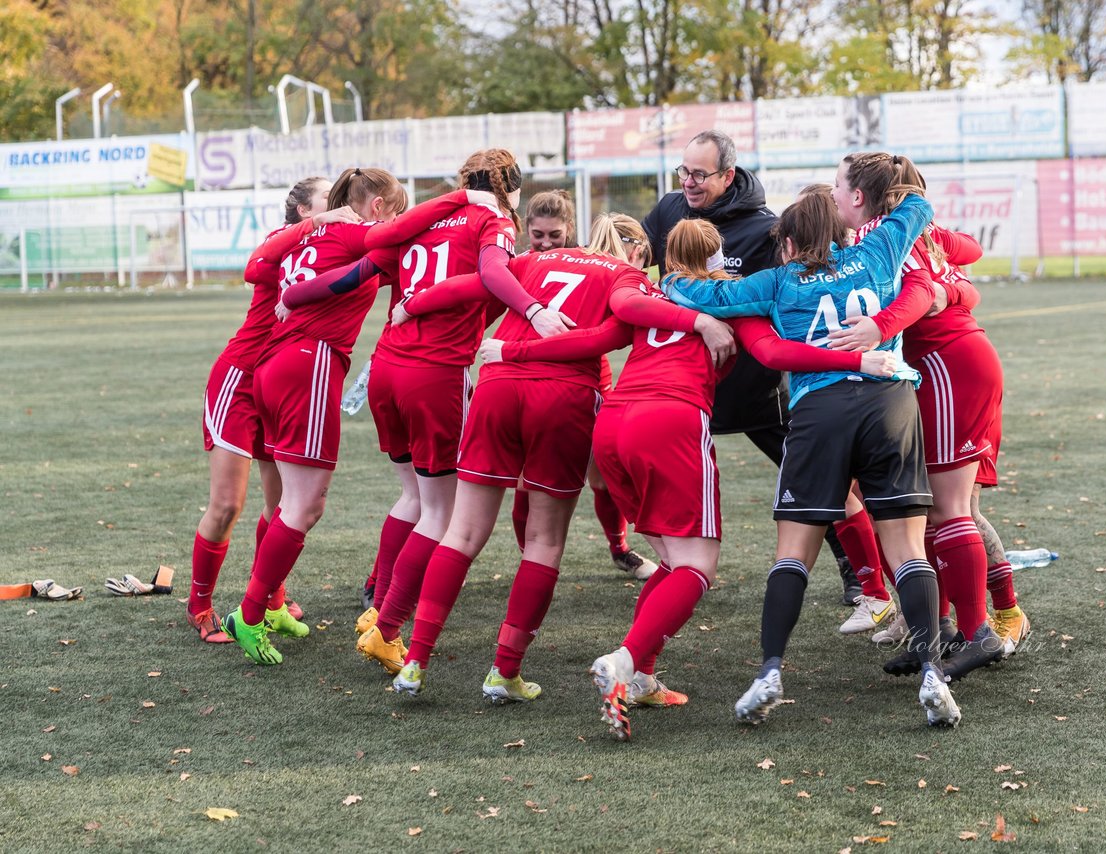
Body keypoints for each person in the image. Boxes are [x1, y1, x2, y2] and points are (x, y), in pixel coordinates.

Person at [485, 217, 894, 739]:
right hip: (670, 421)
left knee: (672, 561)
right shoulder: (726, 297)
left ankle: (642, 675)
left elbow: (598, 336)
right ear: (718, 256)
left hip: (613, 424)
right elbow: (771, 353)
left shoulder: (648, 289)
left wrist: (513, 350)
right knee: (697, 567)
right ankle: (626, 660)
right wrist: (857, 357)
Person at [387, 214, 736, 704]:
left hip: (498, 386)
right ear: (639, 253)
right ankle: (503, 672)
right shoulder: (630, 278)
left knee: (461, 532)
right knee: (544, 541)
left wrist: (412, 304)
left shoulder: (536, 258)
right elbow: (602, 334)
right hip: (567, 395)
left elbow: (477, 281)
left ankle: (415, 662)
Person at [663, 158, 962, 728]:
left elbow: (702, 298)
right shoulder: (876, 254)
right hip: (889, 402)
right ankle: (930, 671)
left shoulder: (779, 280)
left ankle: (770, 670)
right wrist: (883, 181)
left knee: (793, 553)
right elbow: (918, 203)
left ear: (790, 240)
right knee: (907, 551)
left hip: (820, 411)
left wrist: (673, 275)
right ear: (845, 230)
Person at [828, 160, 1029, 674]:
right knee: (927, 506)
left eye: (837, 186)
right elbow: (966, 255)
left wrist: (880, 326)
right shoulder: (912, 227)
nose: (832, 194)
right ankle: (936, 630)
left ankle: (978, 631)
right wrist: (954, 289)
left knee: (948, 507)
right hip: (949, 363)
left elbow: (922, 287)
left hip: (945, 366)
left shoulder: (882, 232)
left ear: (858, 198)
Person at [641, 131, 855, 595]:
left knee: (810, 470)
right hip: (683, 380)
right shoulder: (667, 210)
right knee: (646, 467)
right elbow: (637, 265)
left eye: (700, 174)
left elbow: (782, 292)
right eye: (684, 172)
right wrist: (699, 321)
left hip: (751, 381)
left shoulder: (765, 228)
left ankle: (856, 570)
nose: (689, 183)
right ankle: (660, 561)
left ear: (728, 175)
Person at [353, 150, 543, 674]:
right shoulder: (493, 220)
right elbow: (490, 276)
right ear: (512, 187)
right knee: (442, 511)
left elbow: (374, 245)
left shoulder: (431, 214)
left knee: (413, 496)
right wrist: (533, 308)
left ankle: (377, 610)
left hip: (386, 365)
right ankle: (389, 627)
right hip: (433, 373)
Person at [220, 167, 408, 665]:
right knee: (305, 505)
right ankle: (250, 612)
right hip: (311, 363)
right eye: (394, 210)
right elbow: (410, 244)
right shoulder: (357, 232)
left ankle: (269, 604)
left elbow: (267, 266)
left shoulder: (313, 234)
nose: (396, 220)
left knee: (290, 503)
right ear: (377, 208)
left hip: (275, 364)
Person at [187, 177, 356, 644]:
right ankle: (199, 605)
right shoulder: (282, 240)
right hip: (239, 378)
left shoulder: (330, 244)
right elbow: (251, 267)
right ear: (304, 210)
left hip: (279, 381)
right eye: (326, 199)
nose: (337, 205)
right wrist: (322, 221)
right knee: (227, 505)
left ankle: (271, 598)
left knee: (284, 505)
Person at [508, 189, 659, 580]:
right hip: (532, 376)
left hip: (584, 378)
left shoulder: (598, 269)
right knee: (530, 475)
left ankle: (620, 549)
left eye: (553, 235)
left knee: (602, 473)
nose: (544, 242)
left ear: (571, 230)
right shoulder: (529, 262)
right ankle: (531, 557)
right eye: (537, 234)